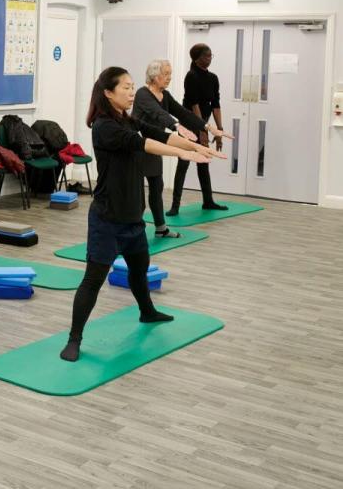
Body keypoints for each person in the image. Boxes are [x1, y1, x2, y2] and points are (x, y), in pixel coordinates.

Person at [60, 67, 225, 362]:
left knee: (139, 269)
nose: (131, 90)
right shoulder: (103, 126)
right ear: (108, 92)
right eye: (125, 86)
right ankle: (74, 338)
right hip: (107, 218)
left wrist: (197, 145)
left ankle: (147, 312)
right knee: (92, 280)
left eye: (132, 85)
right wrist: (184, 155)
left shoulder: (126, 118)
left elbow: (157, 133)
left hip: (133, 215)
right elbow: (142, 143)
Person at [132, 59, 232, 238]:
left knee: (157, 187)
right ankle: (132, 230)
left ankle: (161, 228)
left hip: (156, 147)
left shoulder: (166, 95)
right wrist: (176, 126)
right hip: (137, 148)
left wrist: (208, 127)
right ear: (154, 76)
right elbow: (158, 113)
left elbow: (184, 113)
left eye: (170, 74)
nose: (169, 78)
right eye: (166, 74)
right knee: (136, 194)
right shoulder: (142, 94)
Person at [168, 44, 228, 215]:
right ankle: (175, 205)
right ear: (197, 58)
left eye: (211, 55)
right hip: (189, 124)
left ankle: (208, 201)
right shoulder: (191, 76)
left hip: (204, 123)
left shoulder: (213, 78)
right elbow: (194, 105)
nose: (209, 59)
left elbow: (215, 104)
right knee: (184, 162)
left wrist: (219, 131)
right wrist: (201, 130)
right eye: (206, 56)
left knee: (204, 162)